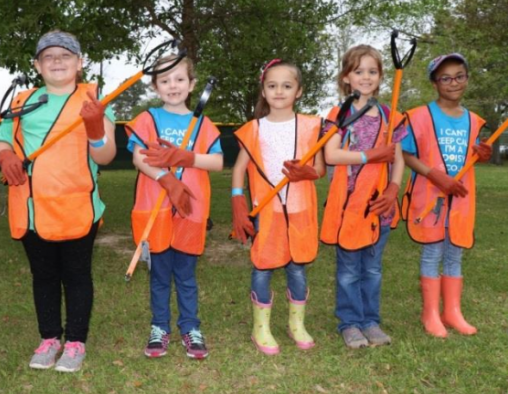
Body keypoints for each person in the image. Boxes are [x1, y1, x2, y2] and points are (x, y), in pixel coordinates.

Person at [0, 31, 116, 372]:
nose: (57, 61)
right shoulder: (22, 101)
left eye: (65, 55)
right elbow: (1, 141)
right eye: (48, 56)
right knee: (43, 276)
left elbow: (106, 155)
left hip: (77, 207)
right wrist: (5, 159)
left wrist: (95, 128)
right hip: (31, 209)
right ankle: (49, 338)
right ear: (37, 65)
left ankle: (76, 342)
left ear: (80, 62)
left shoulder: (94, 99)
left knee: (77, 275)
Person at [125, 55, 223, 359]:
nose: (173, 85)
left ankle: (191, 327)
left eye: (179, 79)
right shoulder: (147, 119)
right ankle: (159, 327)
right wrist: (165, 177)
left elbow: (218, 162)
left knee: (185, 275)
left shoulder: (203, 124)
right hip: (154, 207)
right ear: (155, 86)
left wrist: (188, 158)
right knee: (159, 276)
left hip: (190, 209)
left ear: (192, 84)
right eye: (165, 80)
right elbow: (138, 157)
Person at [231, 59, 325, 355]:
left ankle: (296, 324)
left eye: (287, 85)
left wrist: (307, 173)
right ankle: (261, 327)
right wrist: (237, 200)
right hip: (265, 209)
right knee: (263, 265)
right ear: (264, 90)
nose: (279, 91)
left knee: (297, 267)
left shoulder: (312, 126)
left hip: (299, 208)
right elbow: (239, 169)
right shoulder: (254, 128)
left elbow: (320, 168)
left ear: (299, 91)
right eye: (272, 86)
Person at [321, 45, 406, 349]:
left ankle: (370, 320)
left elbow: (397, 158)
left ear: (381, 77)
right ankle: (350, 323)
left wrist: (394, 188)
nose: (366, 77)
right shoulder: (338, 114)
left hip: (379, 206)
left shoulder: (390, 115)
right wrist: (370, 155)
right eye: (359, 71)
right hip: (348, 207)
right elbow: (331, 155)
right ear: (347, 77)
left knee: (372, 268)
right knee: (347, 271)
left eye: (372, 71)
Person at [401, 53, 490, 338]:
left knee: (455, 252)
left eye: (459, 76)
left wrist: (483, 154)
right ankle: (430, 312)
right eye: (446, 78)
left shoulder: (474, 120)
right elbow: (405, 153)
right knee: (432, 251)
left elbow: (473, 154)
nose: (454, 83)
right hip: (430, 196)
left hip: (460, 198)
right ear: (435, 83)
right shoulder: (419, 116)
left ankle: (452, 311)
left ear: (467, 78)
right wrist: (433, 174)